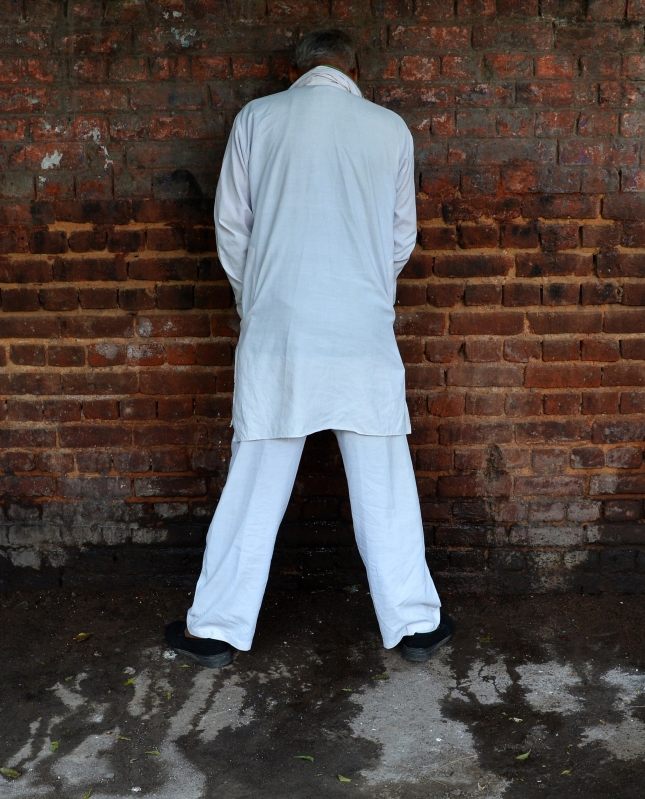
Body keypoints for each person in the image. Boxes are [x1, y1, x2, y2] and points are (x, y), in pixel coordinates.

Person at [164, 28, 453, 668]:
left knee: (254, 481)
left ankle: (215, 628)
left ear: (295, 70)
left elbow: (231, 230)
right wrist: (364, 291)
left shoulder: (256, 119)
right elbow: (401, 239)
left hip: (279, 332)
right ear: (355, 70)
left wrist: (260, 301)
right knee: (385, 482)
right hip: (362, 333)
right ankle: (415, 625)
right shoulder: (389, 129)